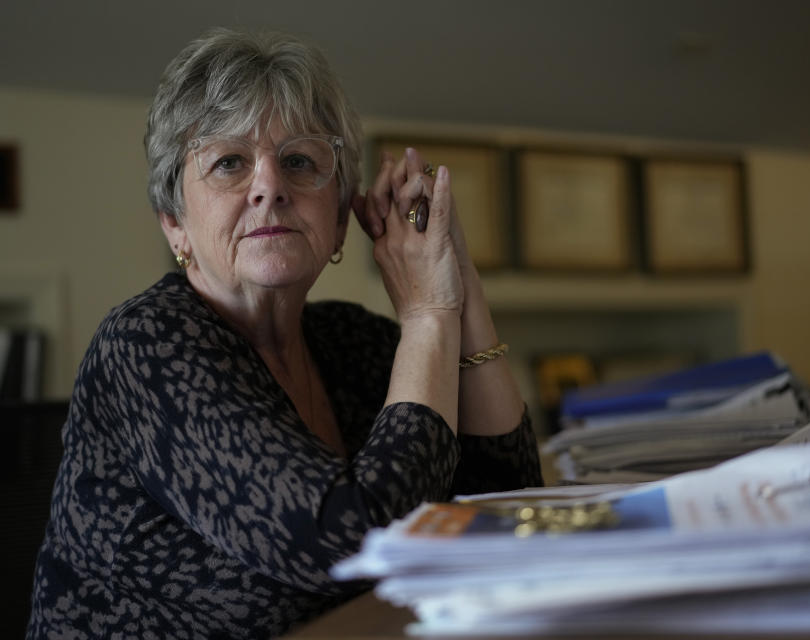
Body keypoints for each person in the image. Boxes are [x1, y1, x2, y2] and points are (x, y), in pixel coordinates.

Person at [27, 27, 542, 640]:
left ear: (341, 216)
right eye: (229, 163)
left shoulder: (355, 343)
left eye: (299, 161)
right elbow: (348, 543)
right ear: (175, 227)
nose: (270, 185)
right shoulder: (145, 347)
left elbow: (509, 506)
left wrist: (460, 291)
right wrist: (429, 315)